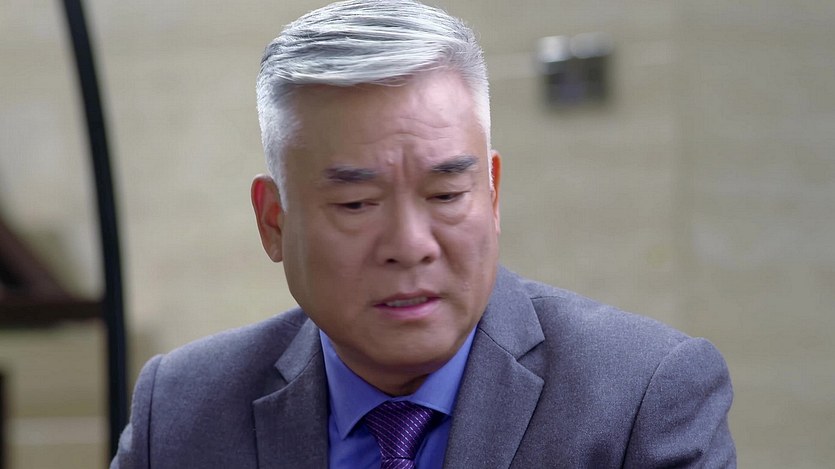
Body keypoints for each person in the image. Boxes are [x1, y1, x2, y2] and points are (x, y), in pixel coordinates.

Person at [111, 0, 735, 467]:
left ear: (492, 193)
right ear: (274, 221)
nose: (410, 245)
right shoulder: (182, 414)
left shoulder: (642, 400)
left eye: (445, 194)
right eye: (356, 203)